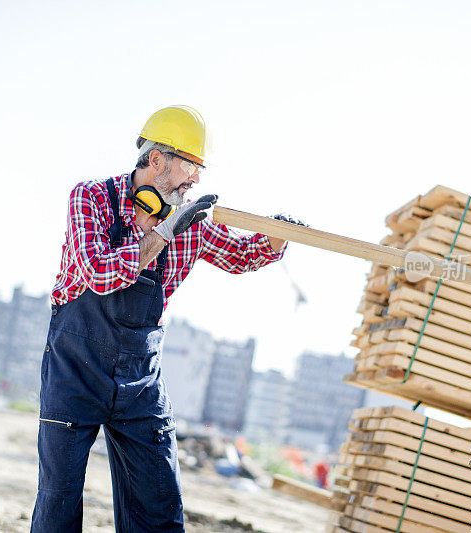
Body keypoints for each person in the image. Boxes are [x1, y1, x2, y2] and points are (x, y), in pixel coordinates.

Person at [31, 105, 304, 532]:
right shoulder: (92, 198)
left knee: (159, 508)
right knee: (58, 504)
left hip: (139, 380)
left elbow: (239, 256)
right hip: (74, 370)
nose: (196, 180)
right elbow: (100, 274)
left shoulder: (188, 218)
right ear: (155, 160)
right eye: (190, 167)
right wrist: (163, 232)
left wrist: (274, 239)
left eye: (200, 170)